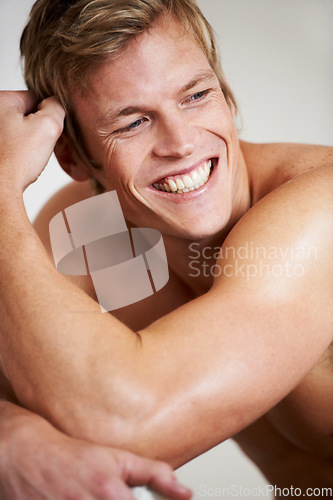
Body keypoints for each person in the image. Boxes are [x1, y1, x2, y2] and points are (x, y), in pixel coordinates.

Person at [0, 0, 332, 498]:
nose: (179, 143)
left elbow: (127, 422)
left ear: (228, 96)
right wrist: (10, 434)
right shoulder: (95, 235)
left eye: (196, 95)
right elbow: (18, 383)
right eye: (132, 122)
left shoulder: (319, 208)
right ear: (72, 156)